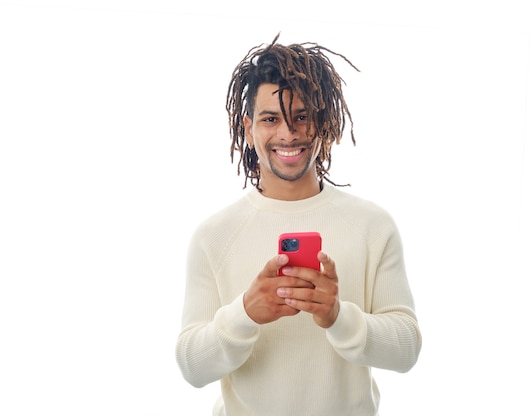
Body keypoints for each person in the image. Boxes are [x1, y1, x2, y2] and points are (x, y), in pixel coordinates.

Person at [175, 34, 422, 416]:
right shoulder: (214, 236)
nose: (288, 134)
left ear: (322, 122)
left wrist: (338, 316)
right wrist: (245, 312)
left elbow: (406, 350)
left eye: (302, 117)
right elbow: (192, 367)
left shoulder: (373, 225)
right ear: (248, 127)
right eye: (271, 119)